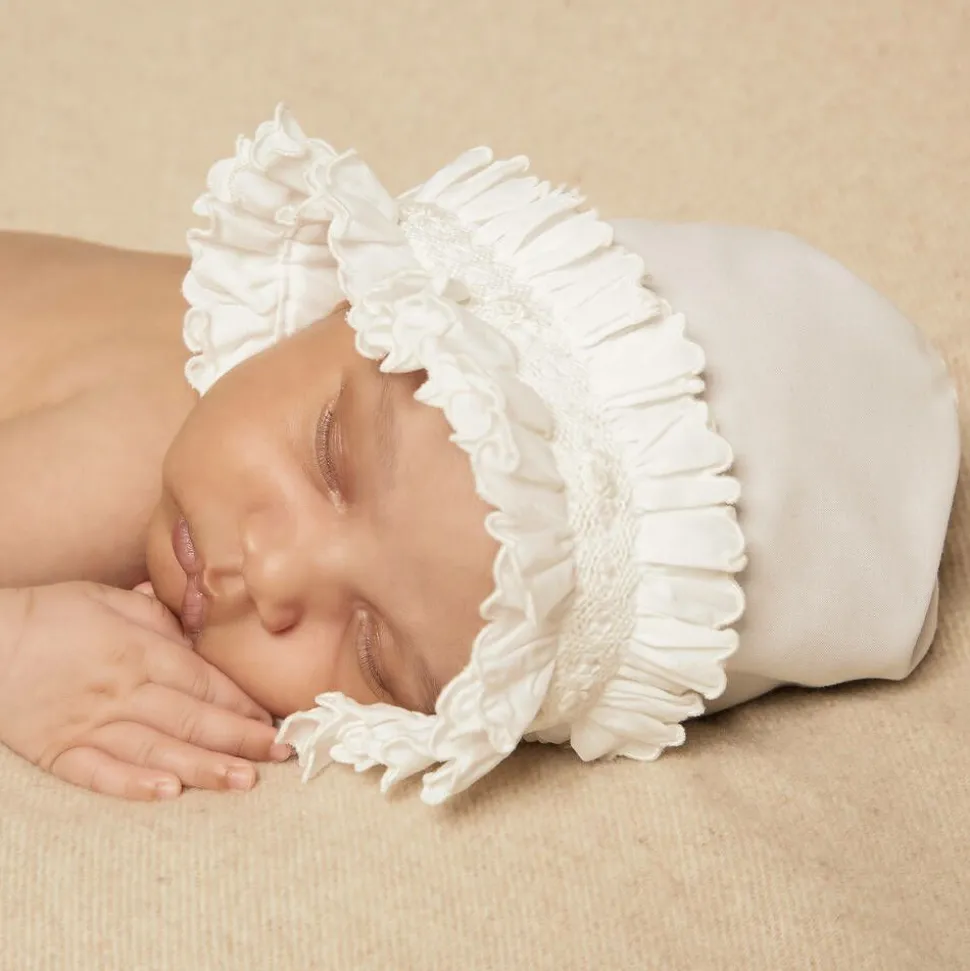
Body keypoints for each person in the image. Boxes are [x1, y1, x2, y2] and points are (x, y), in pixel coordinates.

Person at [0, 106, 959, 806]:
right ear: (363, 301)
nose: (275, 575)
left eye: (373, 650)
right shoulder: (121, 464)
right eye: (331, 455)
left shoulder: (260, 400)